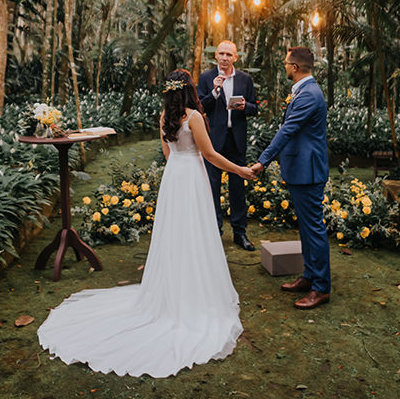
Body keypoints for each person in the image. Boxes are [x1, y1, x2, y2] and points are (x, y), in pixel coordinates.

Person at [37, 70, 254, 378]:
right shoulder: (193, 118)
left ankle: (174, 289)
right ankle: (193, 294)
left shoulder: (165, 116)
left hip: (174, 178)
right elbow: (209, 155)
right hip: (191, 178)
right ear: (191, 90)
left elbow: (168, 154)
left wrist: (182, 163)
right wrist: (240, 170)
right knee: (194, 235)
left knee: (174, 236)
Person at [250, 47, 331, 310]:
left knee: (313, 229)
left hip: (308, 172)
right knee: (306, 229)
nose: (284, 66)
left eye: (286, 63)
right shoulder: (304, 91)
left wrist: (263, 160)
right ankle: (309, 276)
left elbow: (287, 130)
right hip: (301, 170)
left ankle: (321, 288)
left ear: (295, 67)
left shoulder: (308, 95)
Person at [197, 40, 259, 251]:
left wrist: (244, 106)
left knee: (237, 188)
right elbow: (199, 108)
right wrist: (215, 92)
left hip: (236, 140)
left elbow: (254, 107)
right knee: (212, 187)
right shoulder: (206, 78)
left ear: (235, 58)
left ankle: (239, 233)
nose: (224, 57)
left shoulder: (245, 79)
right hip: (214, 141)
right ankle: (214, 232)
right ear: (216, 56)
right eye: (221, 53)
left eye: (228, 54)